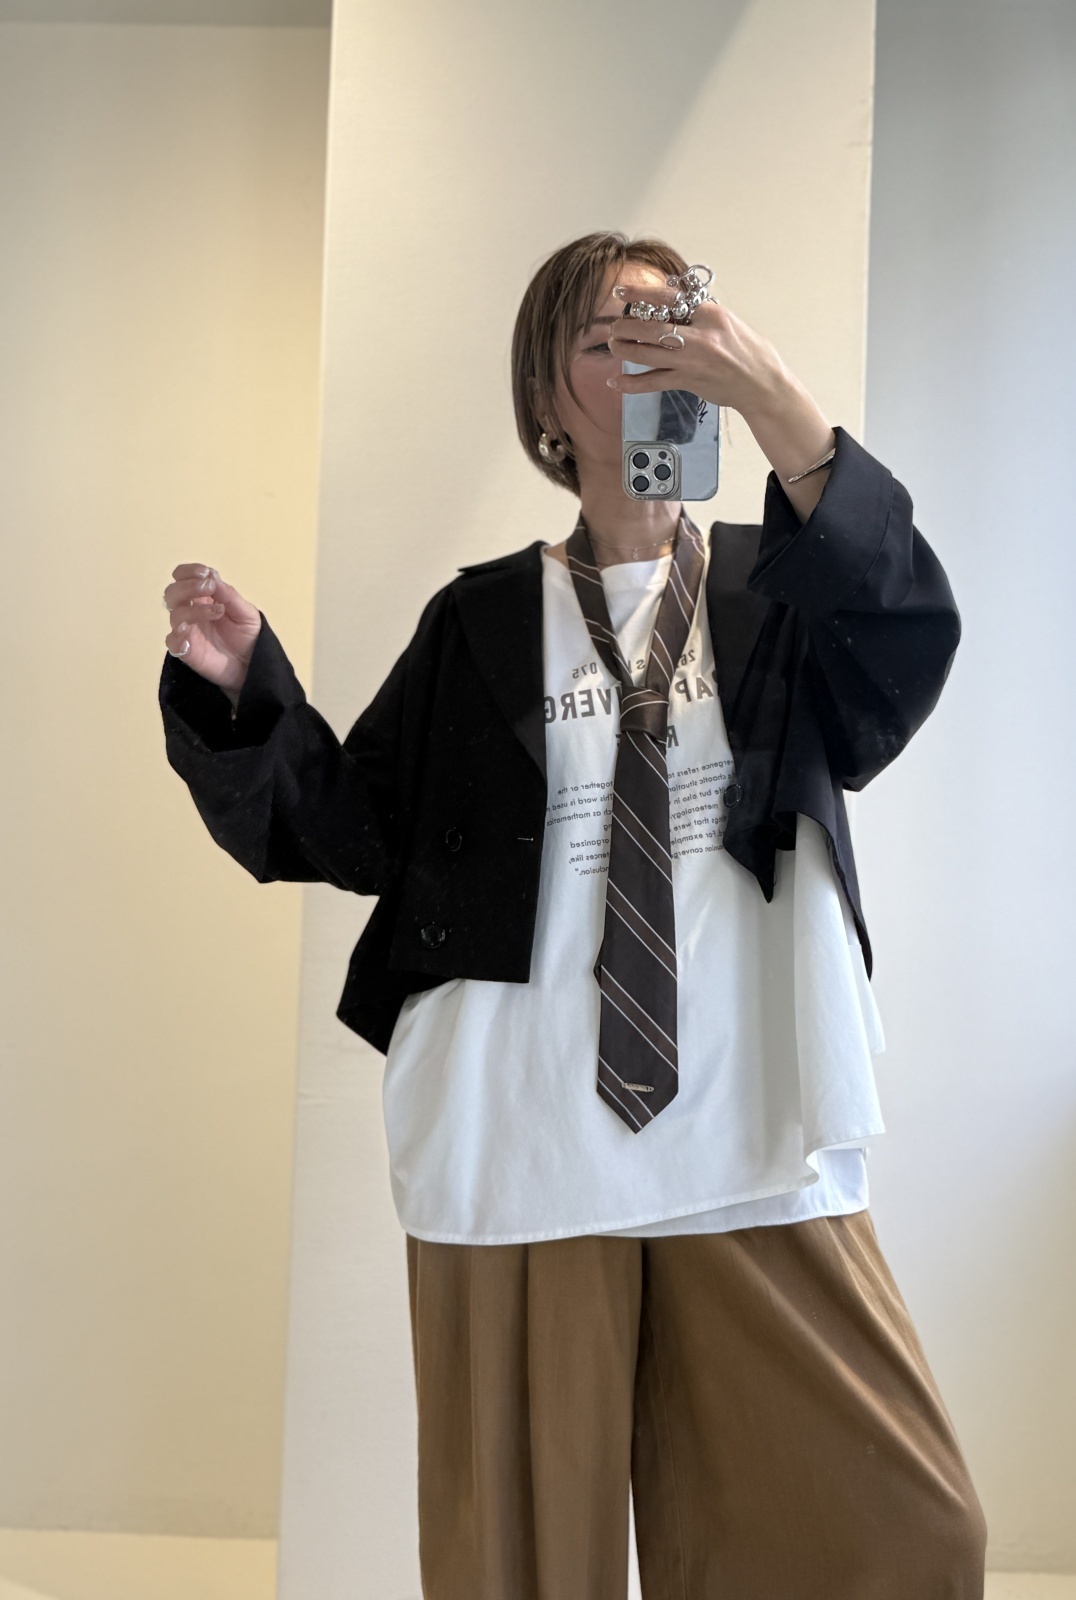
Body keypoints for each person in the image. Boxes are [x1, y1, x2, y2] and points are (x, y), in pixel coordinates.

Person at [158, 230, 986, 1599]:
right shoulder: (483, 620)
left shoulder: (776, 598)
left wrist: (774, 395)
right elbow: (352, 830)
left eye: (675, 332)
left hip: (749, 1123)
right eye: (610, 338)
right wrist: (245, 692)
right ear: (548, 400)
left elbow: (908, 638)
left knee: (903, 1527)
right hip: (526, 1127)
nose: (651, 358)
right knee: (521, 1566)